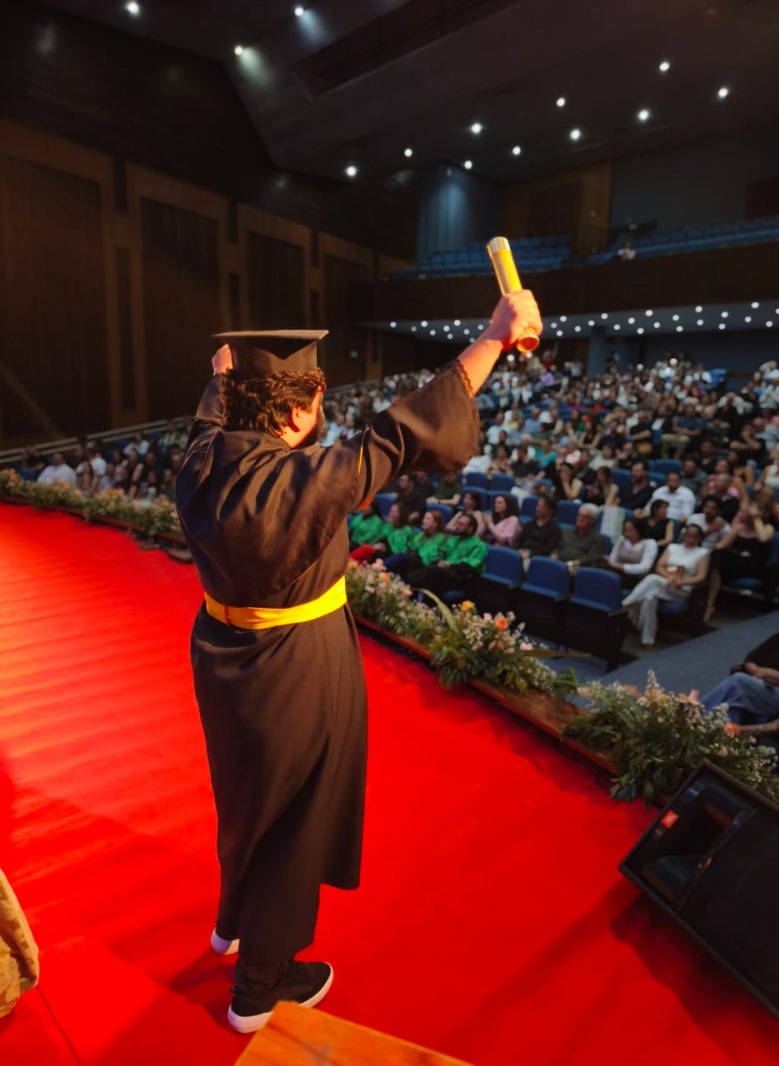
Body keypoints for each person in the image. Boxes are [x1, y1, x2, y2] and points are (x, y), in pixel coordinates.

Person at [175, 289, 542, 1032]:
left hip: (221, 654)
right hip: (295, 664)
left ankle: (232, 923)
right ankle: (259, 986)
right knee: (293, 819)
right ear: (294, 414)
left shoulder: (200, 460)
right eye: (316, 402)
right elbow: (400, 433)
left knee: (245, 799)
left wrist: (221, 382)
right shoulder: (301, 482)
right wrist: (495, 339)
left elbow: (208, 418)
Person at [700, 600, 779, 724]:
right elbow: (750, 659)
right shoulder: (778, 640)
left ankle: (693, 713)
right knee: (732, 704)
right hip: (760, 684)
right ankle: (726, 734)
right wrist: (757, 672)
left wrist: (772, 674)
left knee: (738, 681)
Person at [622, 523, 710, 648]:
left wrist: (682, 582)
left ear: (699, 538)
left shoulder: (702, 552)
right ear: (684, 536)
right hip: (665, 583)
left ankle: (627, 603)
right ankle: (648, 640)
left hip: (682, 589)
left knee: (652, 579)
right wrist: (668, 577)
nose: (690, 539)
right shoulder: (673, 547)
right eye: (688, 536)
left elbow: (701, 576)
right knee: (649, 598)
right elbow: (660, 566)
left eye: (694, 537)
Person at [703, 500, 776, 622]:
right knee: (717, 558)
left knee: (722, 559)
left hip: (755, 566)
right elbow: (720, 546)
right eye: (741, 512)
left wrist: (757, 519)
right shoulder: (739, 527)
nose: (741, 514)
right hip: (736, 564)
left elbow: (763, 539)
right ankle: (709, 604)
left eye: (745, 512)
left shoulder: (768, 528)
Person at [406, 512, 488, 597]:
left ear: (470, 528)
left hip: (461, 577)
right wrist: (438, 561)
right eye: (457, 523)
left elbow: (468, 567)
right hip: (444, 572)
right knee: (415, 562)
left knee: (433, 571)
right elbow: (441, 552)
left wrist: (449, 565)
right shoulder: (453, 540)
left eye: (461, 524)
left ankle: (407, 583)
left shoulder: (478, 545)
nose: (457, 526)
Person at [604, 518, 658, 586]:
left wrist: (623, 567)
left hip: (636, 578)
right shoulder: (622, 539)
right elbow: (613, 559)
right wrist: (611, 562)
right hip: (618, 573)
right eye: (625, 530)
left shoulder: (649, 543)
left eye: (630, 530)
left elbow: (645, 567)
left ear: (639, 530)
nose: (627, 533)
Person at [554, 503, 604, 569]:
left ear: (593, 521)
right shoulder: (567, 531)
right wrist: (554, 556)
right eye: (579, 515)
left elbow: (591, 558)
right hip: (559, 563)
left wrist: (570, 564)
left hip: (578, 568)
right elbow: (557, 548)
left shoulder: (596, 538)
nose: (580, 519)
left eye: (585, 517)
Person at [517, 494, 561, 561]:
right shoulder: (529, 524)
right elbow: (518, 540)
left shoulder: (554, 529)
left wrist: (530, 554)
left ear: (551, 511)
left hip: (536, 558)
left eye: (543, 507)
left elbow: (549, 549)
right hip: (521, 553)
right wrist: (516, 551)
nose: (538, 509)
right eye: (538, 505)